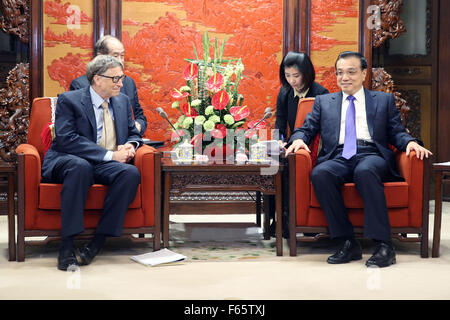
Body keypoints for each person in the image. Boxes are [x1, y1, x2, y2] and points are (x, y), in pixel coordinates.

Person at [285, 51, 432, 267]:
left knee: (365, 171)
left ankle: (384, 245)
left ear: (363, 74)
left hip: (371, 153)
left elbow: (396, 132)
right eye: (340, 73)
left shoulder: (383, 100)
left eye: (351, 72)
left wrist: (410, 142)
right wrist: (297, 140)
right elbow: (306, 129)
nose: (344, 77)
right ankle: (347, 242)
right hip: (339, 155)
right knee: (321, 173)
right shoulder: (324, 102)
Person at [42, 55, 143, 271]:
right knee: (81, 167)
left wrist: (130, 147)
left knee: (129, 174)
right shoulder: (70, 100)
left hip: (103, 163)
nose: (121, 83)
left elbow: (134, 133)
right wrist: (110, 156)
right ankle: (66, 246)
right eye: (115, 78)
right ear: (97, 79)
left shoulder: (123, 101)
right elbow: (67, 139)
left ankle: (97, 243)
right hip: (67, 159)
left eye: (121, 78)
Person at [267, 51, 329, 238]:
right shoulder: (285, 92)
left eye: (296, 75)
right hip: (290, 146)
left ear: (306, 73)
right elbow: (280, 123)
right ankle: (277, 219)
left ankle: (294, 220)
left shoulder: (321, 93)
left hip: (313, 148)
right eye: (287, 76)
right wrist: (278, 141)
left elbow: (324, 129)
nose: (292, 80)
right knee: (271, 169)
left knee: (290, 171)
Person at [70, 35, 147, 136]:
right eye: (115, 56)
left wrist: (137, 126)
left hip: (123, 142)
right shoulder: (80, 85)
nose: (120, 60)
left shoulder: (128, 83)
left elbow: (139, 116)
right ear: (100, 57)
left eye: (122, 56)